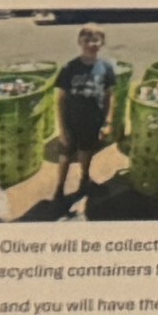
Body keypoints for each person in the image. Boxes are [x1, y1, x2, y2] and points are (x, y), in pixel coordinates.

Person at [47, 27, 125, 216]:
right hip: (71, 121)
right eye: (86, 40)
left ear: (102, 43)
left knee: (87, 151)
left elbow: (109, 96)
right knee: (65, 156)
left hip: (93, 121)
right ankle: (60, 188)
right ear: (79, 42)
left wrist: (107, 121)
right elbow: (60, 99)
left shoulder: (106, 68)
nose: (91, 44)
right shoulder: (69, 67)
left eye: (96, 40)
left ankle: (84, 180)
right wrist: (63, 129)